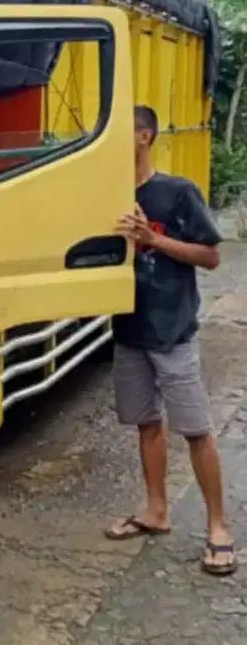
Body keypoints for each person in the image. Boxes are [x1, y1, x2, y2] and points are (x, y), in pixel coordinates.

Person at [105, 105, 236, 576]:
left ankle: (218, 527)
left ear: (143, 136)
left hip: (173, 331)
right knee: (146, 424)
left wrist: (153, 240)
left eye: (119, 130)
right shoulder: (107, 195)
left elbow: (210, 256)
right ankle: (156, 511)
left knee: (196, 430)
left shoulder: (177, 192)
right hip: (130, 331)